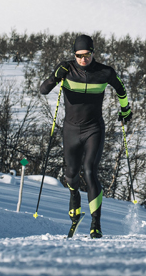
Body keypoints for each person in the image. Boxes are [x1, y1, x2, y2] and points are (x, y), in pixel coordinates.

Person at [40, 34, 132, 238]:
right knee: (71, 174)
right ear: (74, 54)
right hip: (71, 130)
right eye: (79, 55)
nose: (83, 59)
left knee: (90, 171)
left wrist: (126, 111)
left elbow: (121, 90)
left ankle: (96, 223)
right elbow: (43, 90)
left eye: (87, 55)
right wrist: (55, 76)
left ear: (92, 53)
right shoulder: (66, 70)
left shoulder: (104, 72)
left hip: (94, 129)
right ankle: (74, 198)